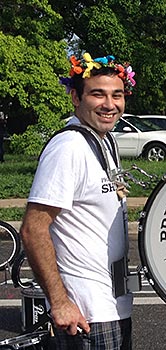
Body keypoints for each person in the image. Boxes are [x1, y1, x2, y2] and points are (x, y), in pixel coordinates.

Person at [20, 53, 136, 349]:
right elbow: (34, 229)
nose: (110, 105)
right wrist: (60, 303)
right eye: (98, 94)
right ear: (75, 97)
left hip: (113, 305)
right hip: (86, 313)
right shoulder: (68, 147)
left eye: (117, 95)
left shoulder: (102, 139)